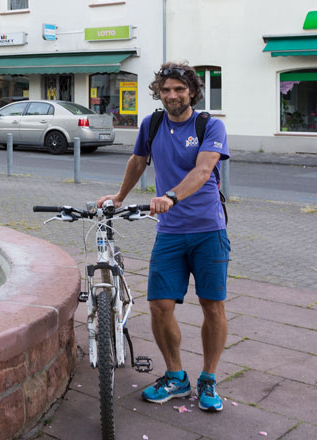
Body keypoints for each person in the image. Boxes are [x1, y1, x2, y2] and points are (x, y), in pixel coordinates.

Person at [97, 62, 230, 413]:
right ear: (160, 92)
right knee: (159, 306)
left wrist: (171, 196)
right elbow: (138, 161)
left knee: (212, 306)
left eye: (179, 90)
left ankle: (208, 380)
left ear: (192, 92)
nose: (172, 95)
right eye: (166, 89)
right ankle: (175, 376)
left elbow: (203, 170)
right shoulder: (152, 124)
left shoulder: (209, 125)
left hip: (207, 230)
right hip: (169, 233)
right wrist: (119, 196)